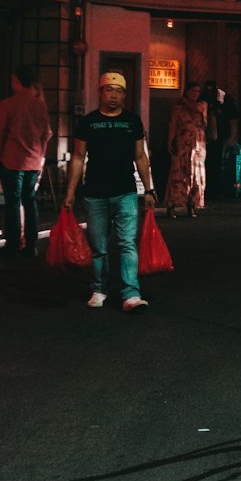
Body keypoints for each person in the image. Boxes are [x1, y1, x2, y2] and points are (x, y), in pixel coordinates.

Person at [63, 71, 157, 312]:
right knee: (99, 246)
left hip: (125, 191)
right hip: (94, 193)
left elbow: (140, 156)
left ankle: (131, 293)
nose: (113, 95)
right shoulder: (88, 122)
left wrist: (149, 189)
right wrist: (70, 193)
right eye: (108, 90)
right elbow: (78, 156)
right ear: (100, 92)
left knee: (127, 243)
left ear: (124, 94)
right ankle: (99, 288)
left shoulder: (132, 122)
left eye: (118, 91)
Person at [0, 65, 52, 258]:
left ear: (16, 80)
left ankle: (13, 243)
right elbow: (47, 133)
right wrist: (41, 156)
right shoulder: (39, 105)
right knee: (30, 201)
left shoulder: (8, 104)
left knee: (13, 202)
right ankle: (32, 244)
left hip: (12, 159)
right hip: (33, 160)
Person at [165, 80, 208, 218]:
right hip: (183, 144)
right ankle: (172, 205)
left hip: (198, 146)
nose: (195, 94)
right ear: (187, 92)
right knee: (178, 174)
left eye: (197, 91)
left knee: (195, 175)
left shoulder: (202, 105)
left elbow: (197, 109)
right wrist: (170, 141)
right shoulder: (178, 108)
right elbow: (173, 125)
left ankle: (191, 204)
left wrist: (185, 101)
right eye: (193, 91)